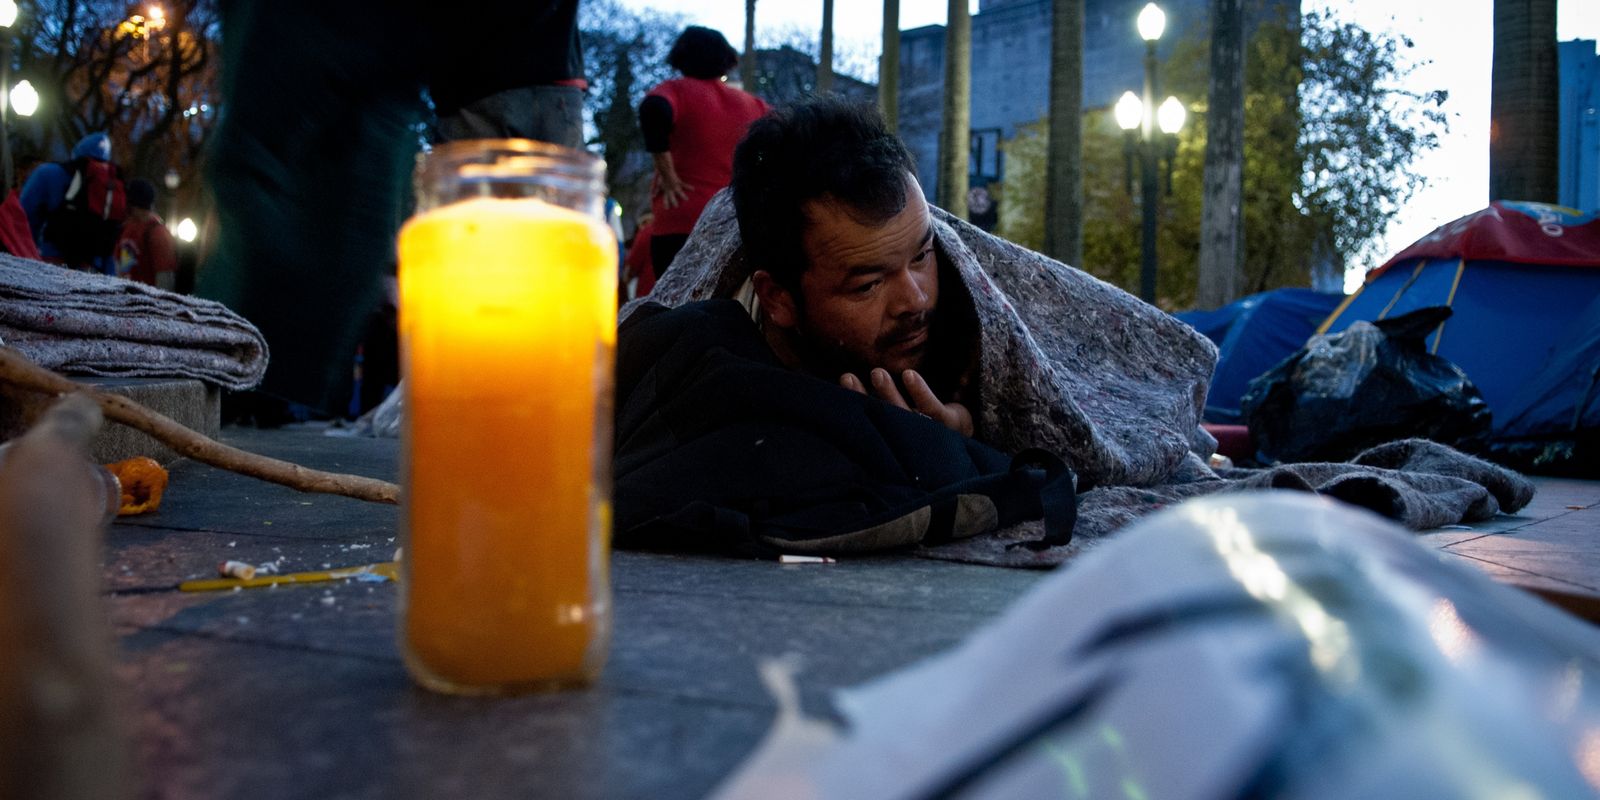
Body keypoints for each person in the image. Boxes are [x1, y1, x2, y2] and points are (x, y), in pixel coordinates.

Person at [639, 26, 769, 280]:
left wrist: (668, 176)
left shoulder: (675, 90)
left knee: (672, 310)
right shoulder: (754, 105)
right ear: (726, 59)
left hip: (680, 217)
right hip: (733, 225)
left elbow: (653, 110)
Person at [18, 132, 127, 272]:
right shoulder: (112, 186)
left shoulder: (48, 173)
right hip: (91, 271)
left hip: (49, 264)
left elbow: (22, 218)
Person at [114, 179, 178, 290]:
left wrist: (158, 304)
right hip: (125, 299)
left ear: (133, 204)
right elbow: (118, 266)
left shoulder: (158, 233)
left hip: (146, 302)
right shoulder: (127, 228)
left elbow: (164, 277)